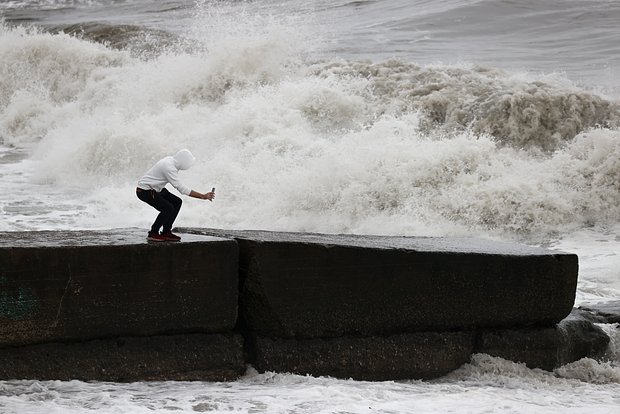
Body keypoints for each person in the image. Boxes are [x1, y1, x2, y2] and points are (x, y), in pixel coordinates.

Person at [136, 149, 214, 242]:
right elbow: (182, 189)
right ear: (184, 162)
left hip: (156, 188)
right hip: (145, 191)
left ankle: (166, 232)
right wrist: (203, 196)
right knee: (168, 208)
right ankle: (153, 233)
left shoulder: (171, 161)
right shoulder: (169, 167)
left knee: (177, 202)